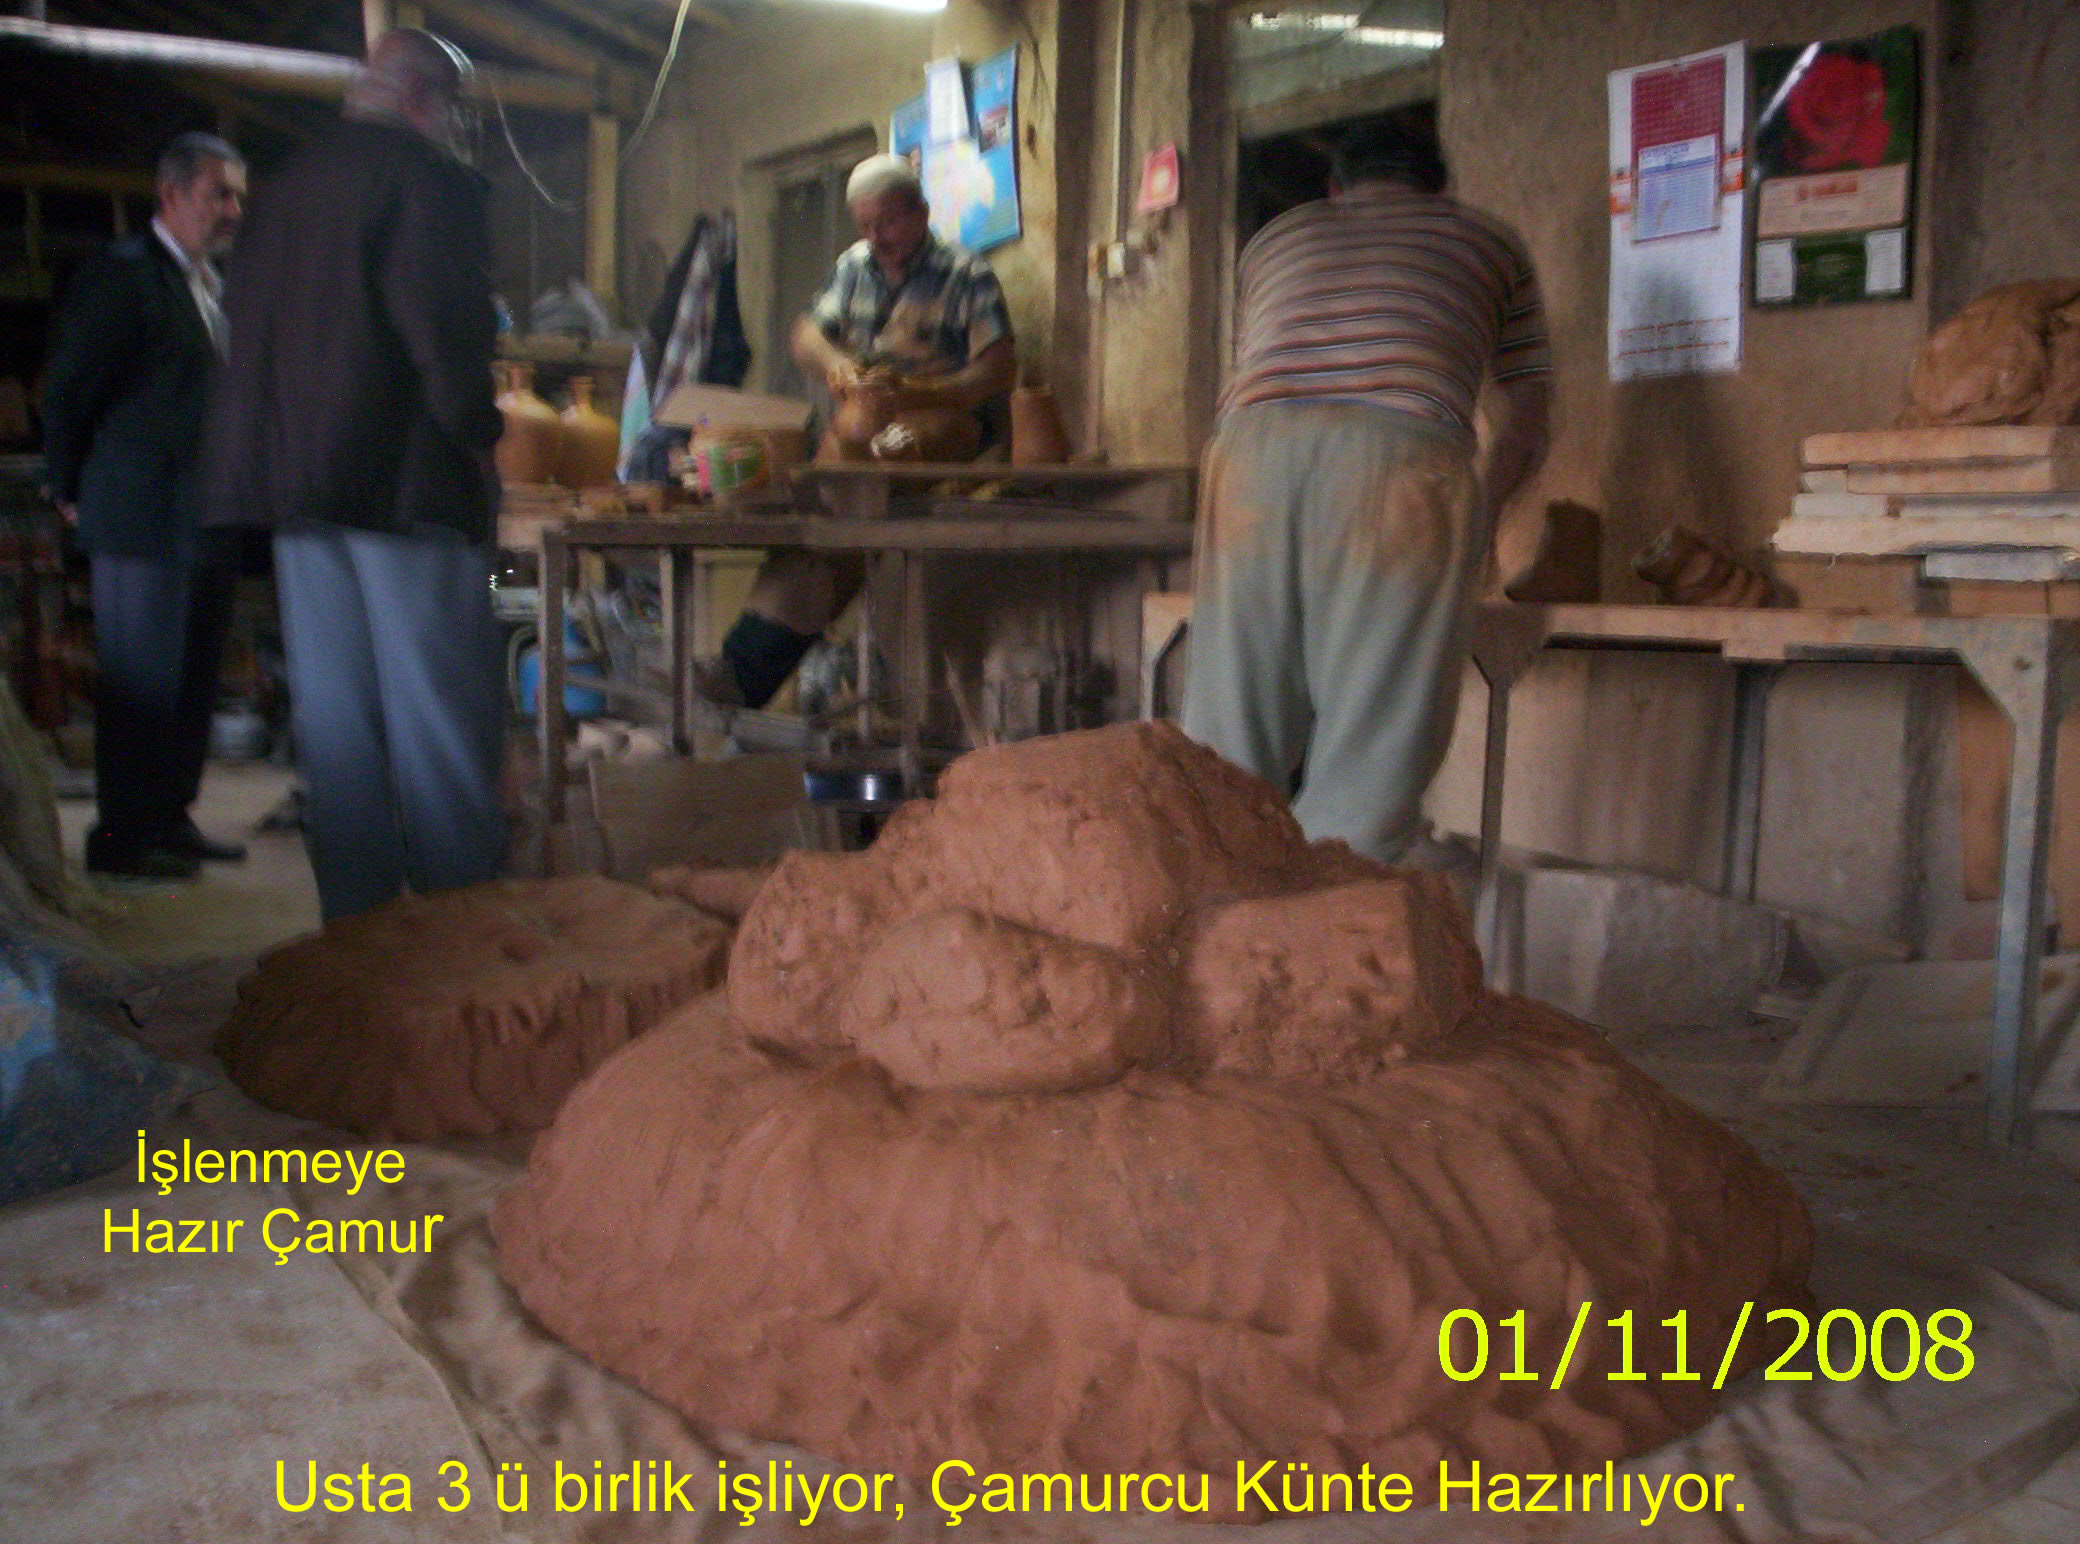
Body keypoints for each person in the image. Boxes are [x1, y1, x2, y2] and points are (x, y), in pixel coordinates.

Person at [1180, 116, 1552, 863]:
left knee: (1229, 738)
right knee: (1371, 747)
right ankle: (1329, 917)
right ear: (1439, 189)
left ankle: (1218, 900)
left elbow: (1260, 370)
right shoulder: (1489, 242)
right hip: (1398, 454)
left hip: (1251, 455)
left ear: (1335, 190)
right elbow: (1525, 419)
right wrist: (1474, 525)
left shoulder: (1275, 241)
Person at [203, 29, 506, 921]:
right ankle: (460, 924)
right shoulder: (426, 180)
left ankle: (359, 931)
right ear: (422, 99)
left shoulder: (283, 190)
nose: (455, 126)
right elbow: (443, 332)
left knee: (337, 723)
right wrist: (481, 435)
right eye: (452, 108)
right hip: (402, 486)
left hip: (299, 490)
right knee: (439, 714)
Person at [696, 153, 1015, 710]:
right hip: (864, 433)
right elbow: (806, 336)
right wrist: (837, 365)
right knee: (818, 530)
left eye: (887, 223)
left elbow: (998, 369)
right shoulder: (854, 266)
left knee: (847, 507)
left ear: (920, 212)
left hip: (940, 427)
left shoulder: (966, 273)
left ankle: (747, 674)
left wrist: (919, 392)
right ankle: (740, 671)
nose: (876, 238)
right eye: (865, 225)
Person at [43, 132, 248, 881]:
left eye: (238, 197)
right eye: (218, 194)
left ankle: (170, 818)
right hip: (140, 515)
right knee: (141, 684)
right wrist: (65, 486)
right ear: (170, 195)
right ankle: (122, 839)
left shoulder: (210, 283)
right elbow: (69, 388)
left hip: (205, 514)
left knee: (191, 678)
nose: (232, 211)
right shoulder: (123, 278)